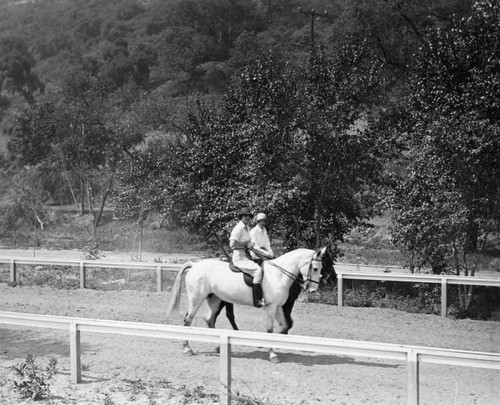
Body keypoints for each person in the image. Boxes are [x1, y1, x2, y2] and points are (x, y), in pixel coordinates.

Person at [229, 207, 266, 307]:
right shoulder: (238, 228)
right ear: (241, 217)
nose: (247, 217)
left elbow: (247, 242)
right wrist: (246, 244)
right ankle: (258, 300)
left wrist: (251, 244)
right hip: (239, 257)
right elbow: (232, 244)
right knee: (258, 271)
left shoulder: (247, 228)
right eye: (245, 215)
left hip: (247, 254)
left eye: (249, 216)